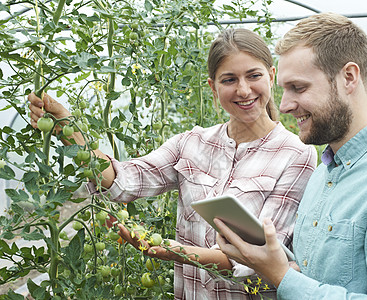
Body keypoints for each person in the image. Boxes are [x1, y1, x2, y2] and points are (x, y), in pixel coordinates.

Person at [28, 28, 317, 299]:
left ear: (271, 75)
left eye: (253, 76)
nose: (243, 90)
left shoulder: (297, 155)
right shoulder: (190, 143)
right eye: (229, 80)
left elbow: (266, 257)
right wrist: (71, 131)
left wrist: (175, 251)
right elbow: (124, 180)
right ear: (213, 88)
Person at [214, 13, 367, 299]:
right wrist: (271, 261)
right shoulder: (323, 175)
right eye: (284, 90)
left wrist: (283, 276)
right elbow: (317, 275)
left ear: (348, 77)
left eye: (298, 88)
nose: (285, 105)